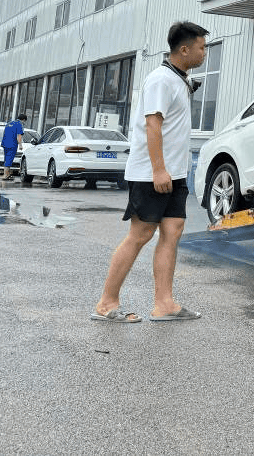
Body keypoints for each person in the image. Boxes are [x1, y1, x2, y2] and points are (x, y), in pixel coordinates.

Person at [91, 21, 208, 323]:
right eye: (201, 47)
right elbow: (152, 124)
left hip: (175, 174)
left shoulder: (178, 80)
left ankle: (165, 304)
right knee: (140, 234)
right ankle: (106, 304)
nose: (204, 52)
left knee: (173, 232)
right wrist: (158, 170)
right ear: (184, 49)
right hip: (152, 174)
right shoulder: (160, 80)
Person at [0, 113, 27, 179]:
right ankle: (5, 175)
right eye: (25, 121)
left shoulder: (9, 123)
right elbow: (19, 135)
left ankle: (7, 174)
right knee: (9, 159)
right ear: (23, 119)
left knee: (6, 159)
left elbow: (4, 133)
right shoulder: (19, 124)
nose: (24, 122)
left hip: (5, 143)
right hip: (12, 144)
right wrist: (20, 145)